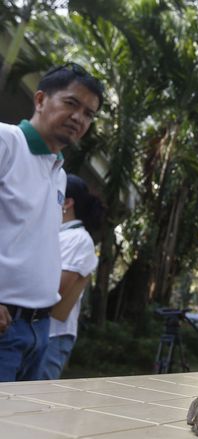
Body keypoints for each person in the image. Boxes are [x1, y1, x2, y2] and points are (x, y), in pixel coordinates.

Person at [0, 63, 103, 382]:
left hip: (39, 331)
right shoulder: (6, 142)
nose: (79, 118)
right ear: (41, 99)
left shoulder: (58, 174)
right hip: (5, 325)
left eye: (88, 114)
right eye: (71, 104)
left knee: (26, 431)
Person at [39, 174, 105, 380]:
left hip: (53, 336)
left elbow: (57, 289)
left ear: (67, 202)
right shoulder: (55, 233)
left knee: (36, 403)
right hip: (40, 331)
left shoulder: (79, 239)